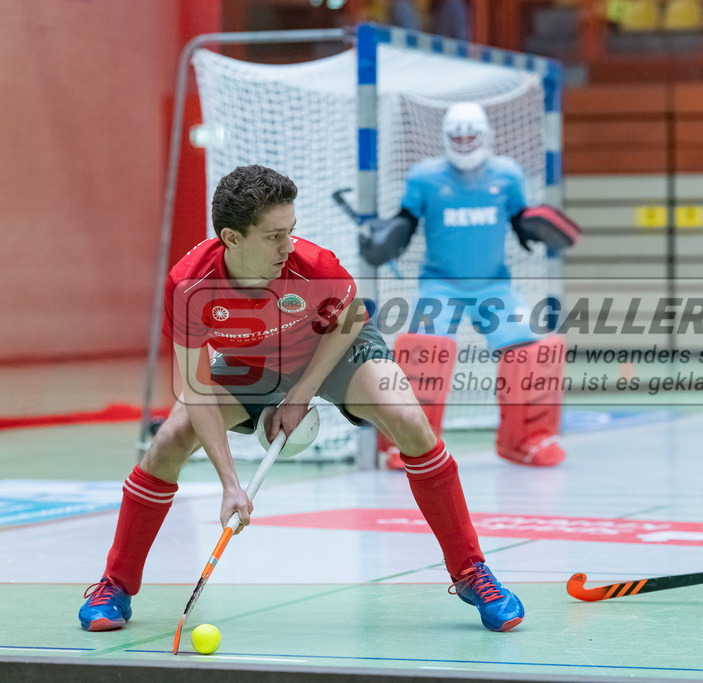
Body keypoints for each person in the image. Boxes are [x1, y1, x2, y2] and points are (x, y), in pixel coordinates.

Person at [78, 164, 524, 633]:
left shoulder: (314, 265)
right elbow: (196, 387)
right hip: (254, 361)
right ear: (231, 238)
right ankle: (116, 585)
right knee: (168, 443)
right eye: (274, 236)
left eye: (291, 231)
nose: (288, 245)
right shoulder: (189, 285)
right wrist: (231, 482)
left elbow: (348, 320)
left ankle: (471, 572)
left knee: (408, 420)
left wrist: (300, 394)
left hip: (334, 347)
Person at [359, 102, 579, 471]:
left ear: (484, 135)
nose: (463, 142)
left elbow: (518, 215)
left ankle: (527, 439)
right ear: (446, 137)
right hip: (439, 286)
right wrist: (388, 235)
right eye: (456, 136)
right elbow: (407, 220)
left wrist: (532, 224)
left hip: (495, 286)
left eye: (469, 135)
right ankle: (410, 442)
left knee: (529, 354)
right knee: (422, 356)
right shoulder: (424, 177)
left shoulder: (507, 174)